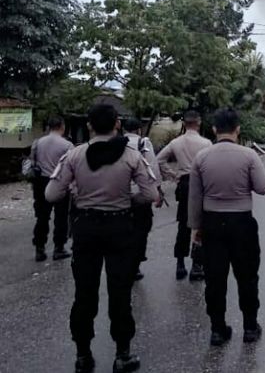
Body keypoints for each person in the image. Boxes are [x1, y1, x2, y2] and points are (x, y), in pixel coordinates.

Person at [46, 104, 159, 373]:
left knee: (84, 293)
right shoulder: (132, 156)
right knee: (120, 292)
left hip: (85, 228)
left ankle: (83, 355)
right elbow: (151, 194)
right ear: (117, 124)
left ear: (89, 126)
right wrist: (127, 199)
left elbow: (51, 194)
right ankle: (122, 354)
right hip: (120, 227)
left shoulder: (74, 155)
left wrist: (78, 194)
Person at [188, 108, 265, 346]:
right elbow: (263, 187)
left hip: (212, 224)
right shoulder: (249, 156)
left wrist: (196, 229)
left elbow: (195, 198)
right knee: (247, 276)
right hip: (242, 223)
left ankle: (217, 329)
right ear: (238, 129)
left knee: (215, 279)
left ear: (214, 130)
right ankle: (250, 327)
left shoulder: (202, 157)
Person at [156, 110, 212, 281]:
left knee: (183, 224)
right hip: (201, 184)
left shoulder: (176, 142)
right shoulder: (207, 143)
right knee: (199, 225)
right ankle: (197, 266)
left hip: (185, 183)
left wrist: (173, 175)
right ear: (199, 122)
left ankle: (180, 264)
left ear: (184, 123)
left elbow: (159, 159)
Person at [122, 118, 163, 281]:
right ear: (139, 129)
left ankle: (124, 262)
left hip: (120, 195)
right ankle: (136, 264)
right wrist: (158, 191)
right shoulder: (143, 142)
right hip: (140, 194)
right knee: (141, 228)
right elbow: (153, 167)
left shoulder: (116, 142)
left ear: (123, 128)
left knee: (124, 230)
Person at [30, 116, 74, 261]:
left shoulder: (38, 142)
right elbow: (72, 166)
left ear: (48, 127)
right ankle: (58, 248)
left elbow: (32, 162)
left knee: (42, 216)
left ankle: (39, 248)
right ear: (62, 126)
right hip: (60, 182)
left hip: (40, 182)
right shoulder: (67, 145)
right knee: (61, 217)